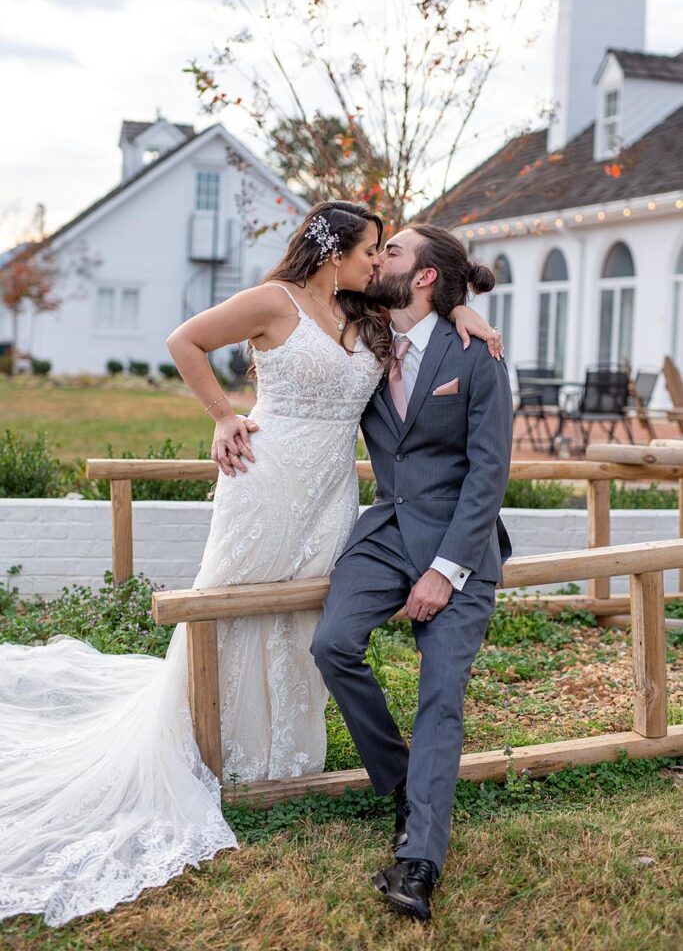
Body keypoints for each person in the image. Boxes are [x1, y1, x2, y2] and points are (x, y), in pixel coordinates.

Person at [0, 201, 501, 927]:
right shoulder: (283, 301)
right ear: (338, 253)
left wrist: (467, 315)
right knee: (235, 605)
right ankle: (213, 743)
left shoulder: (370, 317)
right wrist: (222, 416)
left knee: (303, 623)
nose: (375, 260)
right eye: (370, 249)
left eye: (387, 253)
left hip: (330, 496)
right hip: (265, 481)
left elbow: (433, 332)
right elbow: (186, 341)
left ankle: (286, 761)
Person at [311, 222, 513, 923]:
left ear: (424, 276)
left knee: (440, 695)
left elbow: (489, 475)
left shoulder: (475, 355)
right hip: (385, 531)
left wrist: (446, 571)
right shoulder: (362, 336)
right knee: (331, 644)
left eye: (391, 250)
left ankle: (418, 861)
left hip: (460, 542)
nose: (377, 258)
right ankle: (402, 784)